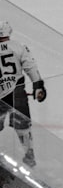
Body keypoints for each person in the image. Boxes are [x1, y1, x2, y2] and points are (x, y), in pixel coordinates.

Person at [0, 21, 46, 167]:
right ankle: (29, 154)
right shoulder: (19, 47)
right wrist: (38, 87)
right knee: (23, 125)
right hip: (17, 92)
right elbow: (31, 67)